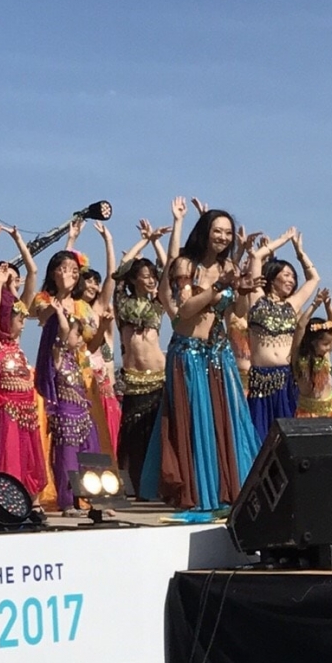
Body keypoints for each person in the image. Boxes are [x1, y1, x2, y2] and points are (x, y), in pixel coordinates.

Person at [140, 207, 260, 512]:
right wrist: (219, 287)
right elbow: (184, 309)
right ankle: (197, 492)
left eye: (228, 233)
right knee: (195, 421)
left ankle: (227, 491)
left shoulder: (229, 266)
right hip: (188, 353)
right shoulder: (185, 265)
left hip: (219, 354)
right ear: (205, 232)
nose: (223, 237)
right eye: (217, 231)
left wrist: (242, 290)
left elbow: (240, 312)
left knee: (225, 421)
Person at [31, 248, 102, 510]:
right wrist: (59, 304)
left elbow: (92, 342)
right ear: (53, 273)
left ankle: (96, 496)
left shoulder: (83, 306)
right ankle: (66, 499)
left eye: (74, 270)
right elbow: (43, 317)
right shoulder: (44, 300)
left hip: (79, 373)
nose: (69, 273)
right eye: (63, 269)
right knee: (66, 439)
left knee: (88, 436)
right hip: (57, 370)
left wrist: (104, 326)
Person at [0, 247, 47, 497]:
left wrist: (11, 288)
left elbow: (17, 303)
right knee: (10, 455)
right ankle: (9, 499)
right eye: (19, 320)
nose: (23, 325)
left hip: (28, 409)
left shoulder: (15, 345)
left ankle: (31, 499)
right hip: (9, 411)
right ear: (7, 320)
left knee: (29, 456)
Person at [240, 227, 320, 443]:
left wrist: (300, 252)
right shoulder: (256, 298)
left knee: (288, 436)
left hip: (286, 378)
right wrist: (283, 239)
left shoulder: (292, 304)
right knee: (260, 435)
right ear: (272, 277)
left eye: (293, 277)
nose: (291, 280)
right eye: (286, 275)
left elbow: (314, 278)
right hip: (260, 380)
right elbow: (256, 257)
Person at [113, 218, 170, 495]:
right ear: (134, 279)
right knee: (132, 433)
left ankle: (156, 487)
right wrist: (144, 240)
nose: (150, 280)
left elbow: (169, 271)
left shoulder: (157, 303)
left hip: (158, 376)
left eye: (152, 276)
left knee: (156, 434)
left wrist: (157, 243)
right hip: (133, 379)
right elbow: (120, 269)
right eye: (145, 276)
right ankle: (132, 486)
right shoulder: (121, 301)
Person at [74, 222, 122, 460]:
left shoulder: (98, 309)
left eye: (96, 282)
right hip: (79, 379)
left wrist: (108, 241)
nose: (93, 286)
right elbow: (66, 269)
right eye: (89, 281)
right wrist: (72, 240)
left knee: (108, 437)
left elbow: (112, 278)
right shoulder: (72, 306)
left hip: (102, 382)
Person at [291, 290, 332, 418]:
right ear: (312, 342)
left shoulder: (325, 355)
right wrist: (314, 305)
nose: (329, 347)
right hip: (308, 414)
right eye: (325, 344)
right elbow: (300, 326)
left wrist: (328, 306)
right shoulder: (299, 358)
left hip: (331, 411)